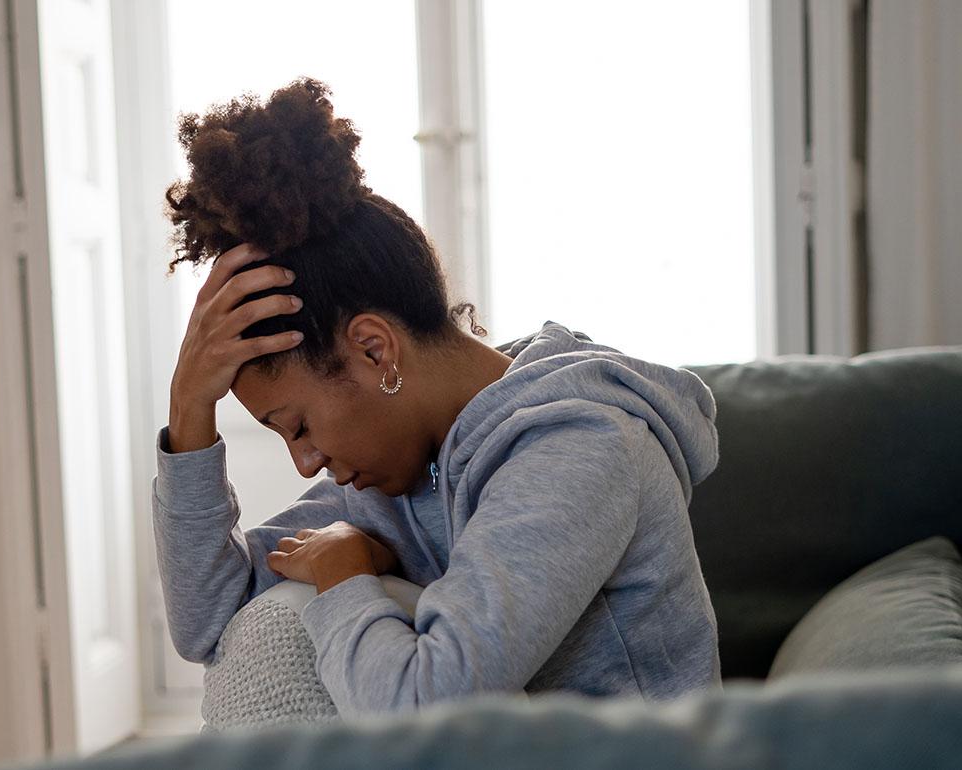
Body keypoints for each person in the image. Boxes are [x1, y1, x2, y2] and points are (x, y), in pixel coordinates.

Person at [153, 77, 722, 719]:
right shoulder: (409, 470)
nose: (306, 463)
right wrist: (187, 416)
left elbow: (420, 704)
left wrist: (344, 570)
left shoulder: (580, 448)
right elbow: (207, 624)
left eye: (300, 425)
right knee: (268, 633)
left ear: (374, 350)